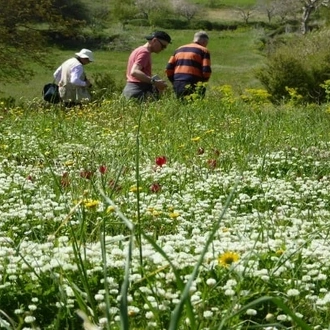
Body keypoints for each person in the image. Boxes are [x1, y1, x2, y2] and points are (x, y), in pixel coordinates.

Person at [123, 31, 172, 101]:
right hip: (138, 91)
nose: (163, 49)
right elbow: (134, 71)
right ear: (154, 40)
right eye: (163, 46)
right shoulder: (144, 52)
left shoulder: (138, 50)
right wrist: (155, 82)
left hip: (130, 89)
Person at [165, 31, 212, 100]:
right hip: (195, 84)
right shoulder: (204, 50)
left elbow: (168, 69)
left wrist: (174, 81)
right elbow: (206, 71)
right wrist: (203, 83)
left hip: (178, 83)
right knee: (194, 107)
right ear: (204, 41)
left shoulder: (179, 49)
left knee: (180, 106)